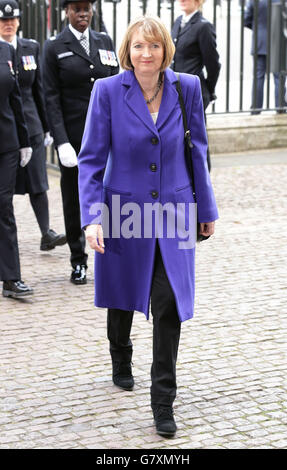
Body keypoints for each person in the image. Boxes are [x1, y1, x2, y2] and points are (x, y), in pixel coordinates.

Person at [78, 15, 218, 437]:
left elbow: (199, 152)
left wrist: (206, 209)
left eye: (154, 46)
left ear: (165, 51)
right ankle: (120, 354)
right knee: (122, 297)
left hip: (174, 213)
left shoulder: (185, 87)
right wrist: (92, 217)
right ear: (128, 50)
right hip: (124, 211)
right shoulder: (106, 91)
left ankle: (163, 401)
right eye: (139, 46)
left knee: (168, 304)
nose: (146, 54)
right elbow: (91, 160)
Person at [42, 0, 119, 285]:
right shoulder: (54, 47)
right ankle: (78, 260)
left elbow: (117, 86)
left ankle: (113, 254)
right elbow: (51, 97)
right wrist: (60, 141)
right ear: (66, 12)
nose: (83, 14)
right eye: (77, 9)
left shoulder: (104, 41)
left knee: (111, 195)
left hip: (107, 136)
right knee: (74, 201)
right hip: (75, 140)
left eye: (87, 8)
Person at [0, 0, 67, 251]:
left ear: (18, 21)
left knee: (38, 181)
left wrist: (47, 126)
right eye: (3, 21)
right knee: (5, 189)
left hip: (32, 125)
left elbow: (39, 89)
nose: (8, 24)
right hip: (6, 128)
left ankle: (46, 233)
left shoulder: (31, 47)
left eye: (12, 20)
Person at [0, 32, 33, 298]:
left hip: (6, 142)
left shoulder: (5, 51)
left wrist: (24, 141)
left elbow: (15, 97)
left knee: (4, 206)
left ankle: (11, 278)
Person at [171, 0, 221, 171]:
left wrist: (207, 89)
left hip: (193, 92)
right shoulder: (178, 21)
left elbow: (213, 64)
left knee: (197, 140)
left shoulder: (203, 26)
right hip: (175, 90)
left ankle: (203, 181)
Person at [244, 0, 286, 113]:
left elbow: (246, 19)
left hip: (259, 41)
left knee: (258, 76)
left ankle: (256, 109)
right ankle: (280, 108)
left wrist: (259, 29)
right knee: (279, 77)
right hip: (278, 41)